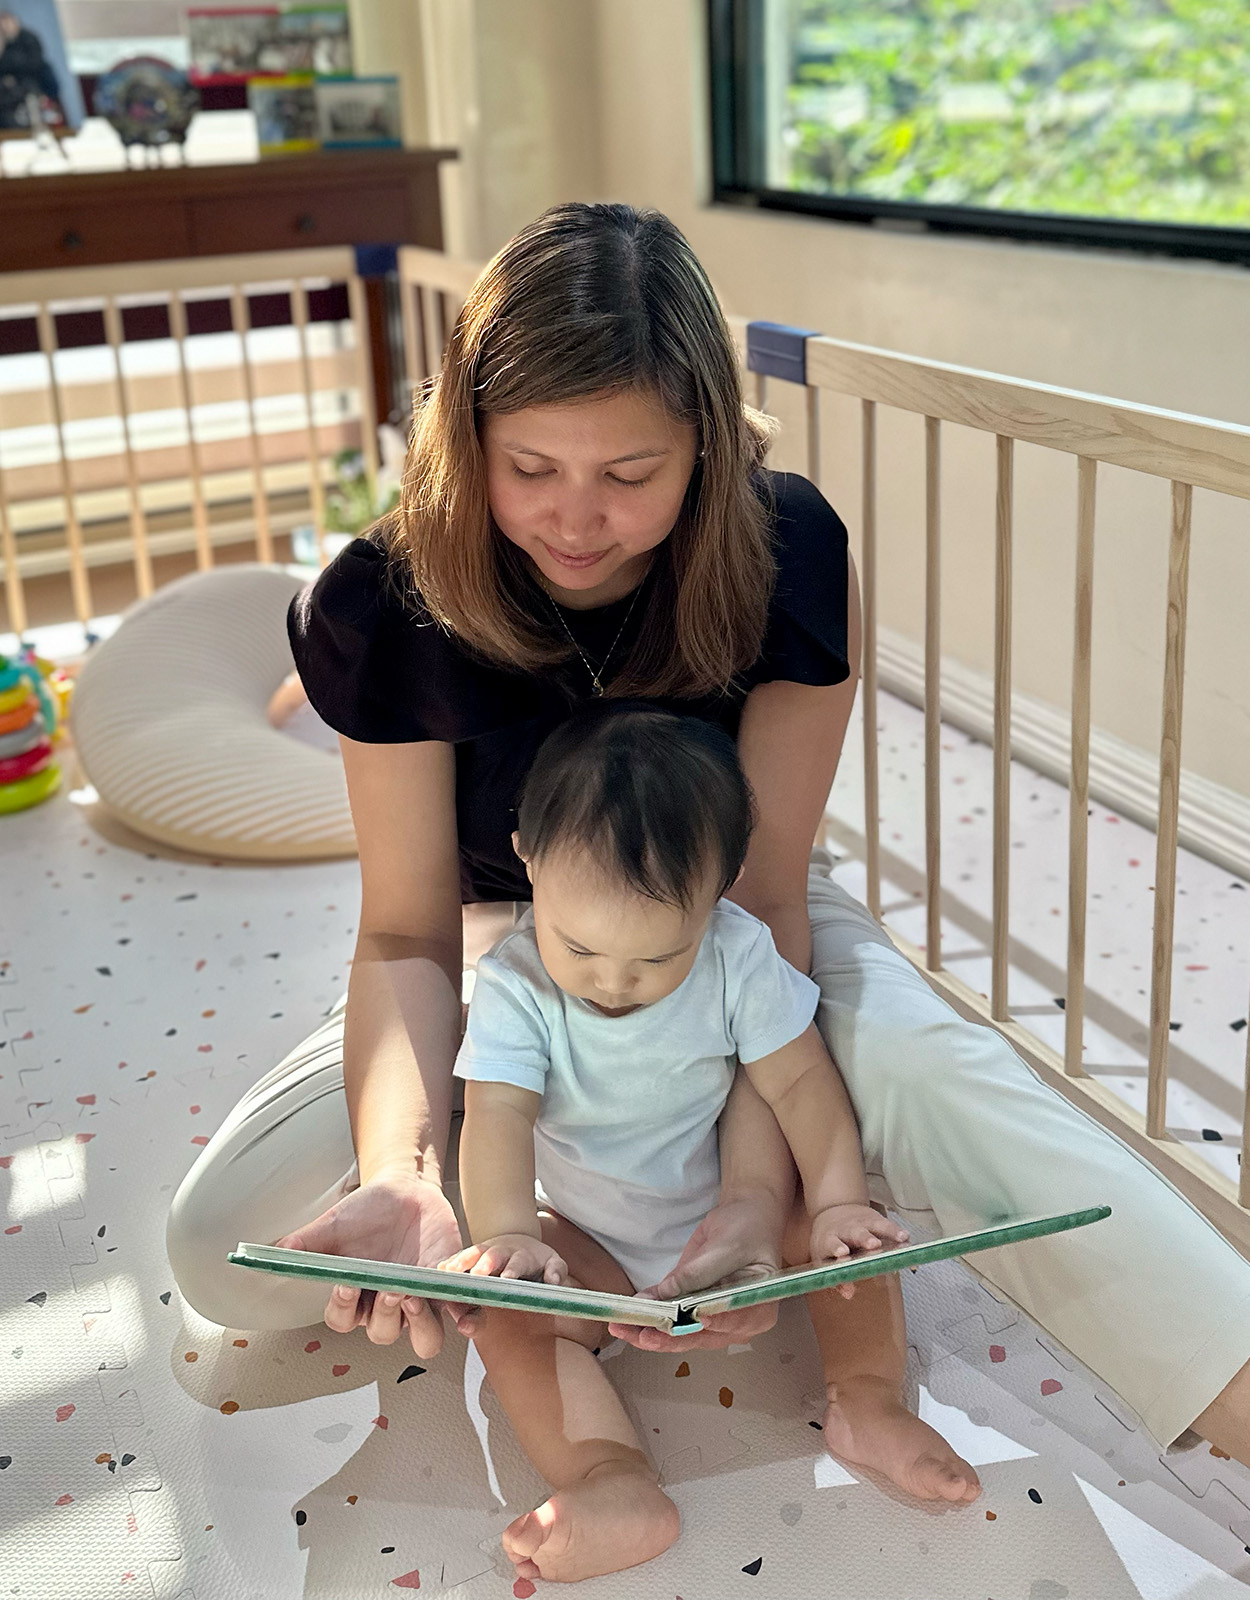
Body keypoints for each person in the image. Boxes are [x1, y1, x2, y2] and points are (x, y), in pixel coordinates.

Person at [165, 202, 1250, 1497]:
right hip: (504, 934)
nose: (576, 519)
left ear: (706, 446)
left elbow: (765, 898)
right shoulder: (386, 597)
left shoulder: (785, 550)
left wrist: (750, 1188)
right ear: (466, 441)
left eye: (630, 475)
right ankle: (607, 1210)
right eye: (529, 468)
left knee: (932, 1071)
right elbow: (404, 930)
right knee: (221, 1248)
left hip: (729, 917)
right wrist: (408, 1169)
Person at [445, 702, 979, 1581]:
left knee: (856, 1242)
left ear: (722, 888)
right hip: (591, 1240)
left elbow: (802, 1084)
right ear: (526, 859)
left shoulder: (738, 952)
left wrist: (838, 1202)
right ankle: (609, 1475)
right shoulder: (516, 983)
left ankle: (869, 1402)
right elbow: (496, 1114)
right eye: (579, 948)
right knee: (507, 1315)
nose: (613, 983)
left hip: (739, 1221)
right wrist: (509, 1234)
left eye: (658, 958)